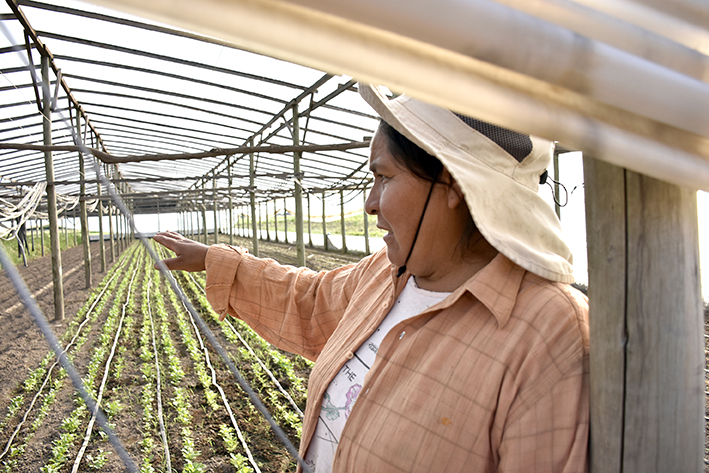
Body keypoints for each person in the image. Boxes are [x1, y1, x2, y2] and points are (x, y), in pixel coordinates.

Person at [153, 84, 589, 473]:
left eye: (384, 177)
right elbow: (311, 301)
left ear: (453, 183)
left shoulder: (550, 334)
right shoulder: (389, 272)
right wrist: (217, 260)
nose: (370, 202)